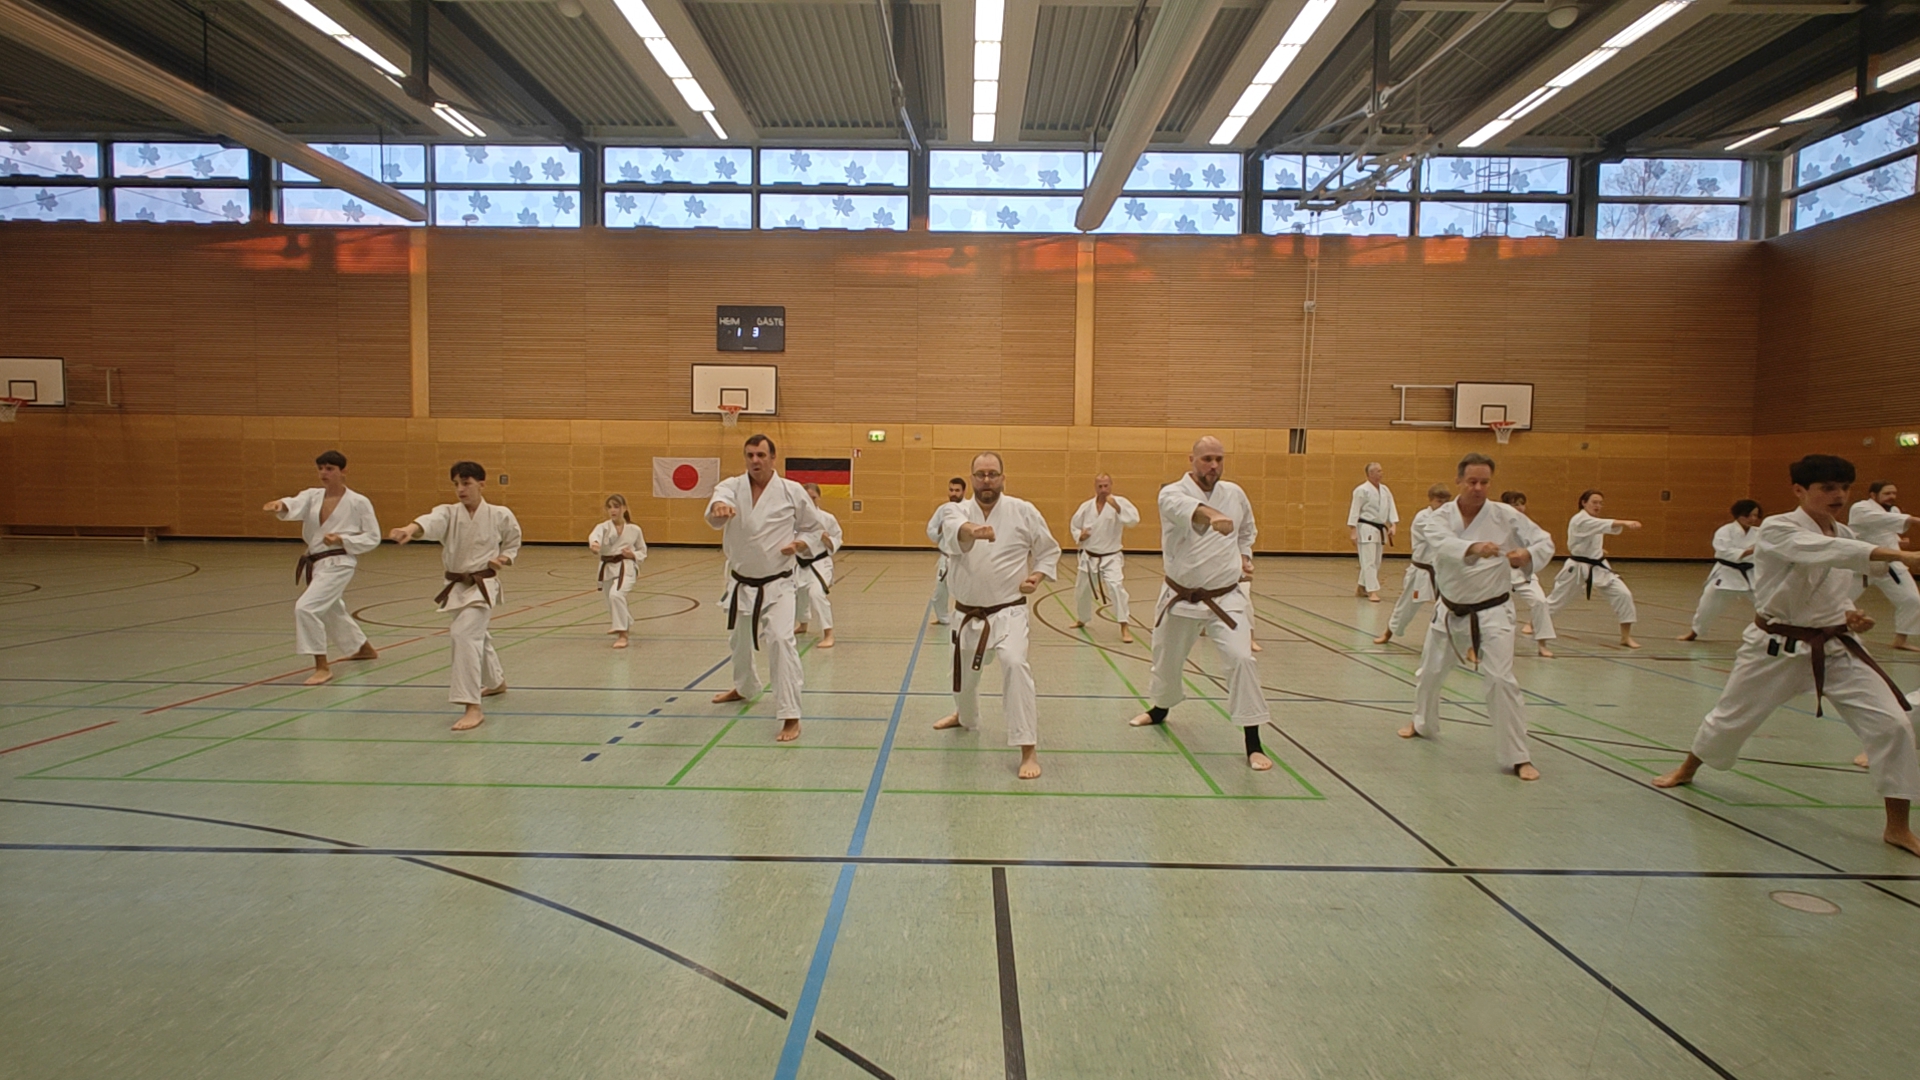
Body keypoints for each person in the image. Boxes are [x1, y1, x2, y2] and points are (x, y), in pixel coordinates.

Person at [1654, 455, 1920, 858]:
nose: (1838, 496)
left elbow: (1837, 584)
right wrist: (1900, 556)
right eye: (1827, 488)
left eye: (1844, 488)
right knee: (1731, 719)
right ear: (1799, 491)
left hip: (1835, 647)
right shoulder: (1778, 527)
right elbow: (1822, 551)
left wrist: (1850, 614)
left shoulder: (1844, 531)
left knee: (1895, 725)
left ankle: (1898, 826)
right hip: (1774, 647)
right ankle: (1687, 769)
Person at [1400, 453, 1555, 781]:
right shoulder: (1437, 517)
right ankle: (1423, 722)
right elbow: (1442, 545)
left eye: (1485, 482)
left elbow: (1544, 541)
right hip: (1450, 610)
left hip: (1494, 610)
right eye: (1472, 481)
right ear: (1459, 481)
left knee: (1501, 680)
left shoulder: (1505, 515)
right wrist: (1472, 548)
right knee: (1429, 672)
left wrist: (1527, 554)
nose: (1479, 488)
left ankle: (1518, 757)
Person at [1128, 436, 1272, 771]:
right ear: (1191, 459)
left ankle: (1253, 741)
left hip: (1226, 597)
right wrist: (1211, 515)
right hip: (1180, 596)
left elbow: (1247, 530)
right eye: (1207, 459)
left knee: (1242, 660)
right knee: (1166, 661)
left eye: (1219, 459)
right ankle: (1160, 710)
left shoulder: (1235, 493)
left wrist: (1244, 555)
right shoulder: (1172, 493)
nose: (1214, 466)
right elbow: (1187, 512)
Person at [933, 452, 1060, 780]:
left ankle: (1027, 747)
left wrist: (1037, 577)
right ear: (971, 478)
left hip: (1009, 611)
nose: (986, 480)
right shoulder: (955, 509)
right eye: (980, 474)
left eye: (992, 474)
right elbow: (947, 530)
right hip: (966, 613)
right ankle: (964, 715)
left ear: (1003, 477)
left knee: (1015, 665)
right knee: (962, 678)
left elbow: (1048, 550)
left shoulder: (1023, 511)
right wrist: (971, 531)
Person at [705, 435, 824, 743]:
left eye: (760, 454)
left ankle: (790, 714)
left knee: (782, 642)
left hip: (780, 583)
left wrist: (802, 543)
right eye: (749, 455)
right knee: (739, 641)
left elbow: (813, 528)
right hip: (741, 582)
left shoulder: (791, 491)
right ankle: (744, 687)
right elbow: (718, 505)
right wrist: (718, 508)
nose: (755, 460)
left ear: (773, 458)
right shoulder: (731, 487)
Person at [389, 461, 521, 731]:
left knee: (463, 635)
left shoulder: (500, 514)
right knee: (476, 637)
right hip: (455, 587)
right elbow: (429, 521)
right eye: (456, 484)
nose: (460, 489)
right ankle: (495, 682)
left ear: (481, 484)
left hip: (482, 585)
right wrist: (409, 530)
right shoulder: (448, 513)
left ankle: (471, 705)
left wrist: (504, 558)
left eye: (466, 483)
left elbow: (513, 541)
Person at [264, 450, 380, 685]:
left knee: (306, 608)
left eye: (330, 469)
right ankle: (364, 648)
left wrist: (343, 540)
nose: (324, 473)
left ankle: (322, 666)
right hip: (317, 562)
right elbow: (293, 503)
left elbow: (373, 536)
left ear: (343, 471)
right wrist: (281, 505)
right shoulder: (312, 496)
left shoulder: (358, 502)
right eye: (321, 468)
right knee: (331, 609)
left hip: (340, 562)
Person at [1547, 490, 1643, 648]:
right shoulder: (1580, 520)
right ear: (1584, 503)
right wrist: (1626, 522)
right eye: (1594, 502)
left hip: (1599, 566)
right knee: (1558, 598)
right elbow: (1605, 525)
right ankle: (1533, 623)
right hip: (1577, 567)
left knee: (1623, 594)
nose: (1598, 506)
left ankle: (1626, 637)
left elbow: (1591, 536)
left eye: (1600, 503)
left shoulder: (1593, 520)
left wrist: (1597, 551)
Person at [1376, 484, 1452, 646]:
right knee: (1407, 604)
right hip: (1422, 571)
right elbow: (1439, 536)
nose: (1443, 505)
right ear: (1430, 500)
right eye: (1439, 501)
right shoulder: (1423, 517)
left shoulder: (1451, 517)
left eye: (1446, 502)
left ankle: (1454, 639)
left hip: (1442, 571)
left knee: (1453, 605)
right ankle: (1388, 632)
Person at [1848, 482, 1920, 651]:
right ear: (1873, 495)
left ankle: (1901, 640)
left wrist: (1899, 542)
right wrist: (1912, 519)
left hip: (1891, 565)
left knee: (1912, 600)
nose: (1892, 497)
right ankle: (1827, 632)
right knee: (1839, 600)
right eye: (1887, 493)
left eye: (1894, 493)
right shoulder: (1860, 508)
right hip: (1863, 566)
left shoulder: (1894, 511)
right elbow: (1881, 520)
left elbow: (1887, 531)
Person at [1069, 473, 1141, 643]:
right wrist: (1080, 535)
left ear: (1111, 485)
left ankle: (1124, 625)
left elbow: (1133, 521)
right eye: (1100, 486)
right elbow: (1074, 524)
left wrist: (1117, 508)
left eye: (1106, 486)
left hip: (1111, 557)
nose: (1103, 489)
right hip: (1089, 556)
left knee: (1116, 588)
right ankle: (1082, 618)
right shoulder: (1087, 506)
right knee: (1082, 590)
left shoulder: (1120, 503)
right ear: (1095, 487)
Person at [1679, 500, 1763, 642]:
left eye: (1755, 516)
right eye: (1748, 515)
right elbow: (1724, 551)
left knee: (1767, 606)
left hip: (1751, 574)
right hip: (1726, 573)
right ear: (1738, 515)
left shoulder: (1760, 533)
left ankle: (1776, 635)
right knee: (1707, 605)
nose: (1753, 519)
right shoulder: (1725, 531)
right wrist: (1749, 551)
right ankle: (1695, 632)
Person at [1499, 491, 1557, 659]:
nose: (1519, 507)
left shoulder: (1530, 527)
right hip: (1500, 575)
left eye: (1521, 503)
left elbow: (1543, 544)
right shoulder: (1495, 525)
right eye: (1514, 504)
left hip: (1524, 574)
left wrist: (1528, 553)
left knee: (1540, 602)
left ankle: (1542, 644)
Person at [588, 494, 647, 650]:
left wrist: (633, 555)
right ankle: (622, 621)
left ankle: (623, 633)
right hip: (607, 566)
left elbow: (643, 550)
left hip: (626, 566)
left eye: (616, 506)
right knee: (609, 598)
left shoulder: (634, 529)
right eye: (610, 507)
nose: (613, 510)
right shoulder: (603, 527)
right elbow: (595, 537)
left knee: (616, 594)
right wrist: (594, 544)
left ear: (624, 508)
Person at [794, 482, 843, 649]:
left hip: (820, 563)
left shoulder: (827, 518)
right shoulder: (794, 519)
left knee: (815, 594)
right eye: (806, 497)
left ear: (818, 498)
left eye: (813, 497)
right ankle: (803, 624)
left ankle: (828, 633)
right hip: (799, 564)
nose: (810, 501)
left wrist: (826, 540)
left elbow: (837, 539)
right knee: (799, 594)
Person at [1347, 462, 1399, 602]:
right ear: (1370, 474)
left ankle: (1361, 586)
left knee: (1376, 561)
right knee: (1368, 561)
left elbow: (1391, 507)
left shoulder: (1385, 490)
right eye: (1378, 471)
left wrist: (1393, 524)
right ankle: (1372, 591)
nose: (1381, 473)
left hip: (1380, 528)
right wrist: (1353, 530)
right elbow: (1355, 510)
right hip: (1366, 528)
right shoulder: (1361, 490)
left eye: (1381, 471)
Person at [930, 477, 966, 627]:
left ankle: (968, 619)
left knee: (967, 590)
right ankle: (943, 618)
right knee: (939, 592)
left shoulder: (970, 508)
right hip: (946, 557)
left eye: (957, 490)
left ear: (964, 491)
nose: (954, 493)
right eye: (951, 490)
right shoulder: (942, 510)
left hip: (964, 558)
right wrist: (941, 527)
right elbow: (931, 530)